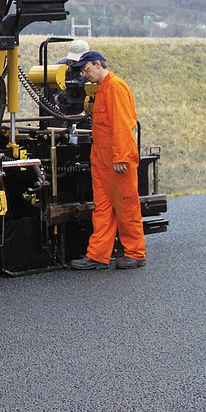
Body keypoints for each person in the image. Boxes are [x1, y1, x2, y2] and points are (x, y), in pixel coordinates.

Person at [67, 51, 146, 270]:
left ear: (98, 64)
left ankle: (135, 253)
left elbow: (122, 124)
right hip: (102, 160)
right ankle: (98, 255)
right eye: (82, 71)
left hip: (116, 160)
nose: (84, 74)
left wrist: (120, 157)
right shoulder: (103, 89)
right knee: (102, 209)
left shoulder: (115, 87)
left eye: (86, 69)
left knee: (126, 206)